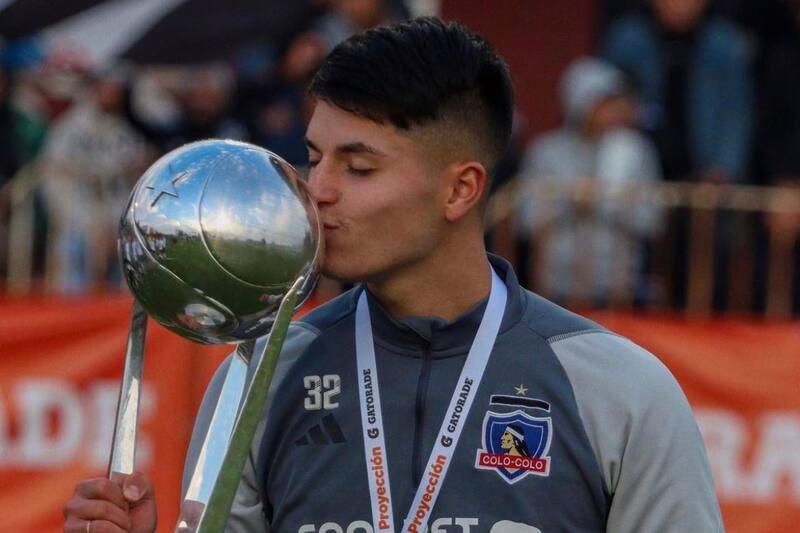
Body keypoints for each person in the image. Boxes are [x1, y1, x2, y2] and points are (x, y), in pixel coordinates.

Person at [63, 17, 722, 532]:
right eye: (314, 156)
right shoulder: (261, 374)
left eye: (358, 166)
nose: (313, 190)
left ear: (460, 189)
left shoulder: (619, 390)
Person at [518, 57, 663, 306]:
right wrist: (571, 201)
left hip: (617, 287)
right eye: (602, 102)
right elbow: (526, 220)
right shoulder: (546, 152)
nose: (613, 110)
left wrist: (600, 202)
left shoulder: (635, 151)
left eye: (615, 101)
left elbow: (653, 220)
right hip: (556, 286)